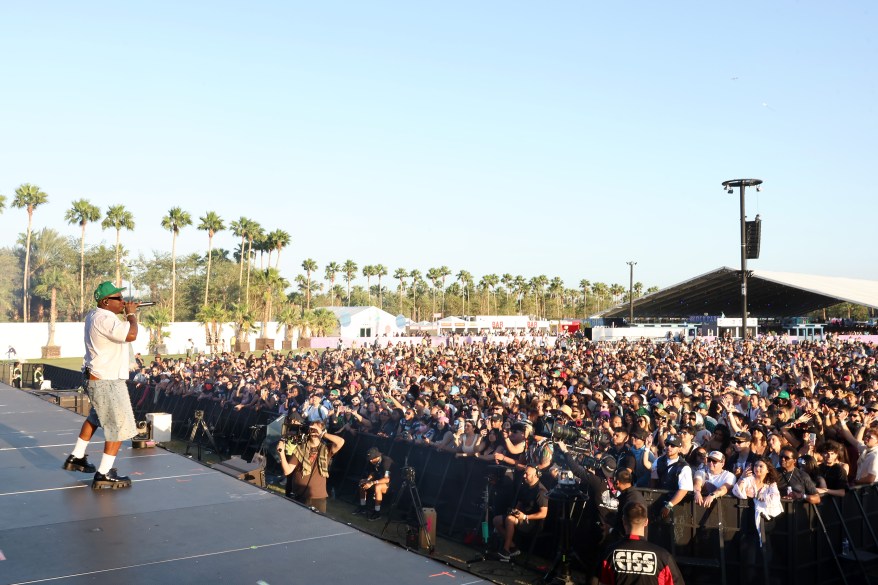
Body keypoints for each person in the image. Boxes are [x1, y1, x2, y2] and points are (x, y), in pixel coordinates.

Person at [62, 281, 140, 490]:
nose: (123, 302)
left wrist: (124, 314)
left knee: (95, 417)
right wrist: (131, 315)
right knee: (117, 427)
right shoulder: (105, 319)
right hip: (107, 381)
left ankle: (77, 456)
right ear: (106, 301)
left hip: (98, 377)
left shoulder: (95, 315)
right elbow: (131, 334)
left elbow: (121, 335)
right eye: (119, 299)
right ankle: (104, 473)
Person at [597, 501, 686, 585]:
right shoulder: (663, 556)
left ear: (624, 521)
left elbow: (602, 581)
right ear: (646, 522)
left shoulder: (609, 553)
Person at [276, 420, 344, 513]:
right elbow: (287, 471)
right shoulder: (300, 449)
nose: (314, 432)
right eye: (311, 429)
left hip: (318, 496)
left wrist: (322, 434)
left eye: (316, 429)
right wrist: (281, 454)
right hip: (299, 495)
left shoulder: (327, 449)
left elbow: (341, 441)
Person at [492, 464, 549, 561]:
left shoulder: (541, 491)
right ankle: (513, 547)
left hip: (532, 523)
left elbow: (543, 513)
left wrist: (526, 517)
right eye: (524, 473)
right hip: (521, 517)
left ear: (536, 476)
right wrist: (515, 511)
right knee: (496, 520)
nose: (524, 476)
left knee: (509, 519)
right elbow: (520, 503)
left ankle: (506, 551)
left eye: (527, 474)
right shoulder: (525, 486)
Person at [355, 447, 393, 520]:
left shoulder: (386, 461)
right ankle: (362, 506)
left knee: (377, 487)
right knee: (362, 482)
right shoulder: (373, 462)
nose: (371, 460)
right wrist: (367, 480)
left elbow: (387, 479)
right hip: (378, 481)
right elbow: (373, 473)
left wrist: (372, 482)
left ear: (378, 456)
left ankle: (377, 512)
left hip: (391, 484)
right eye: (370, 459)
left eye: (372, 458)